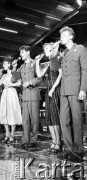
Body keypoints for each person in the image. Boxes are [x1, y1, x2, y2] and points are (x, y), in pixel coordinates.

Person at [59, 26, 87, 159]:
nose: (61, 37)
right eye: (61, 35)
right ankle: (69, 148)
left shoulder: (80, 48)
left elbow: (85, 70)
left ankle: (79, 149)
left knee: (76, 120)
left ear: (71, 36)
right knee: (63, 120)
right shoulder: (63, 53)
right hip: (64, 90)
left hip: (76, 89)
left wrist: (83, 89)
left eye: (64, 35)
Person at [12, 45, 42, 149]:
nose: (21, 55)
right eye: (20, 53)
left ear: (28, 52)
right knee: (25, 119)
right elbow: (14, 79)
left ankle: (33, 140)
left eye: (23, 52)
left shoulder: (34, 63)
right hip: (25, 96)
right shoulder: (22, 67)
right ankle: (25, 140)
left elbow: (40, 78)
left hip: (33, 94)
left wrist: (29, 82)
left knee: (34, 119)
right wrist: (14, 67)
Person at [35, 42, 62, 153]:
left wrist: (53, 88)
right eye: (45, 49)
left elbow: (60, 74)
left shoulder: (55, 59)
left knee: (55, 117)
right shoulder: (48, 63)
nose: (45, 51)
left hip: (54, 90)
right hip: (48, 91)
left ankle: (58, 143)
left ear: (52, 49)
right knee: (49, 118)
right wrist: (37, 61)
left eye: (47, 49)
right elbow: (39, 74)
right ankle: (54, 141)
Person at [0, 59, 22, 143]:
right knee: (4, 113)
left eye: (6, 63)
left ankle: (12, 134)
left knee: (12, 113)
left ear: (9, 64)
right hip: (5, 94)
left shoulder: (15, 73)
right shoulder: (3, 75)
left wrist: (11, 84)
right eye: (3, 64)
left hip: (12, 93)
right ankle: (7, 134)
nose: (4, 65)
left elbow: (19, 83)